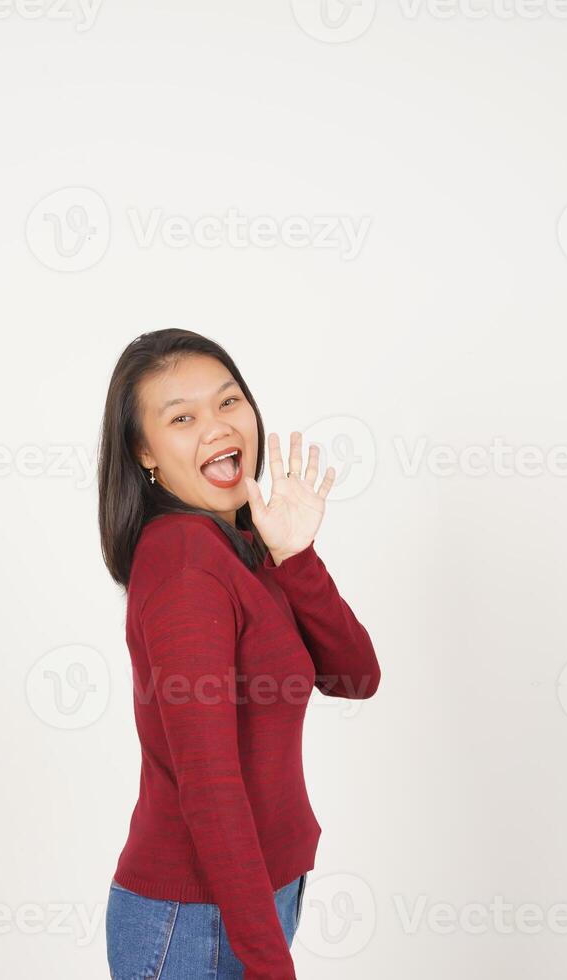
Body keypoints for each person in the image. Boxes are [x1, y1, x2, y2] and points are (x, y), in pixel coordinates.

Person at [97, 329, 381, 978]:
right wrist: (270, 967)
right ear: (145, 452)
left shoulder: (240, 545)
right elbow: (209, 784)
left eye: (228, 403)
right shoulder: (184, 563)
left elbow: (355, 675)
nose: (217, 427)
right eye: (182, 417)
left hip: (253, 897)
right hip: (195, 918)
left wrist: (295, 555)